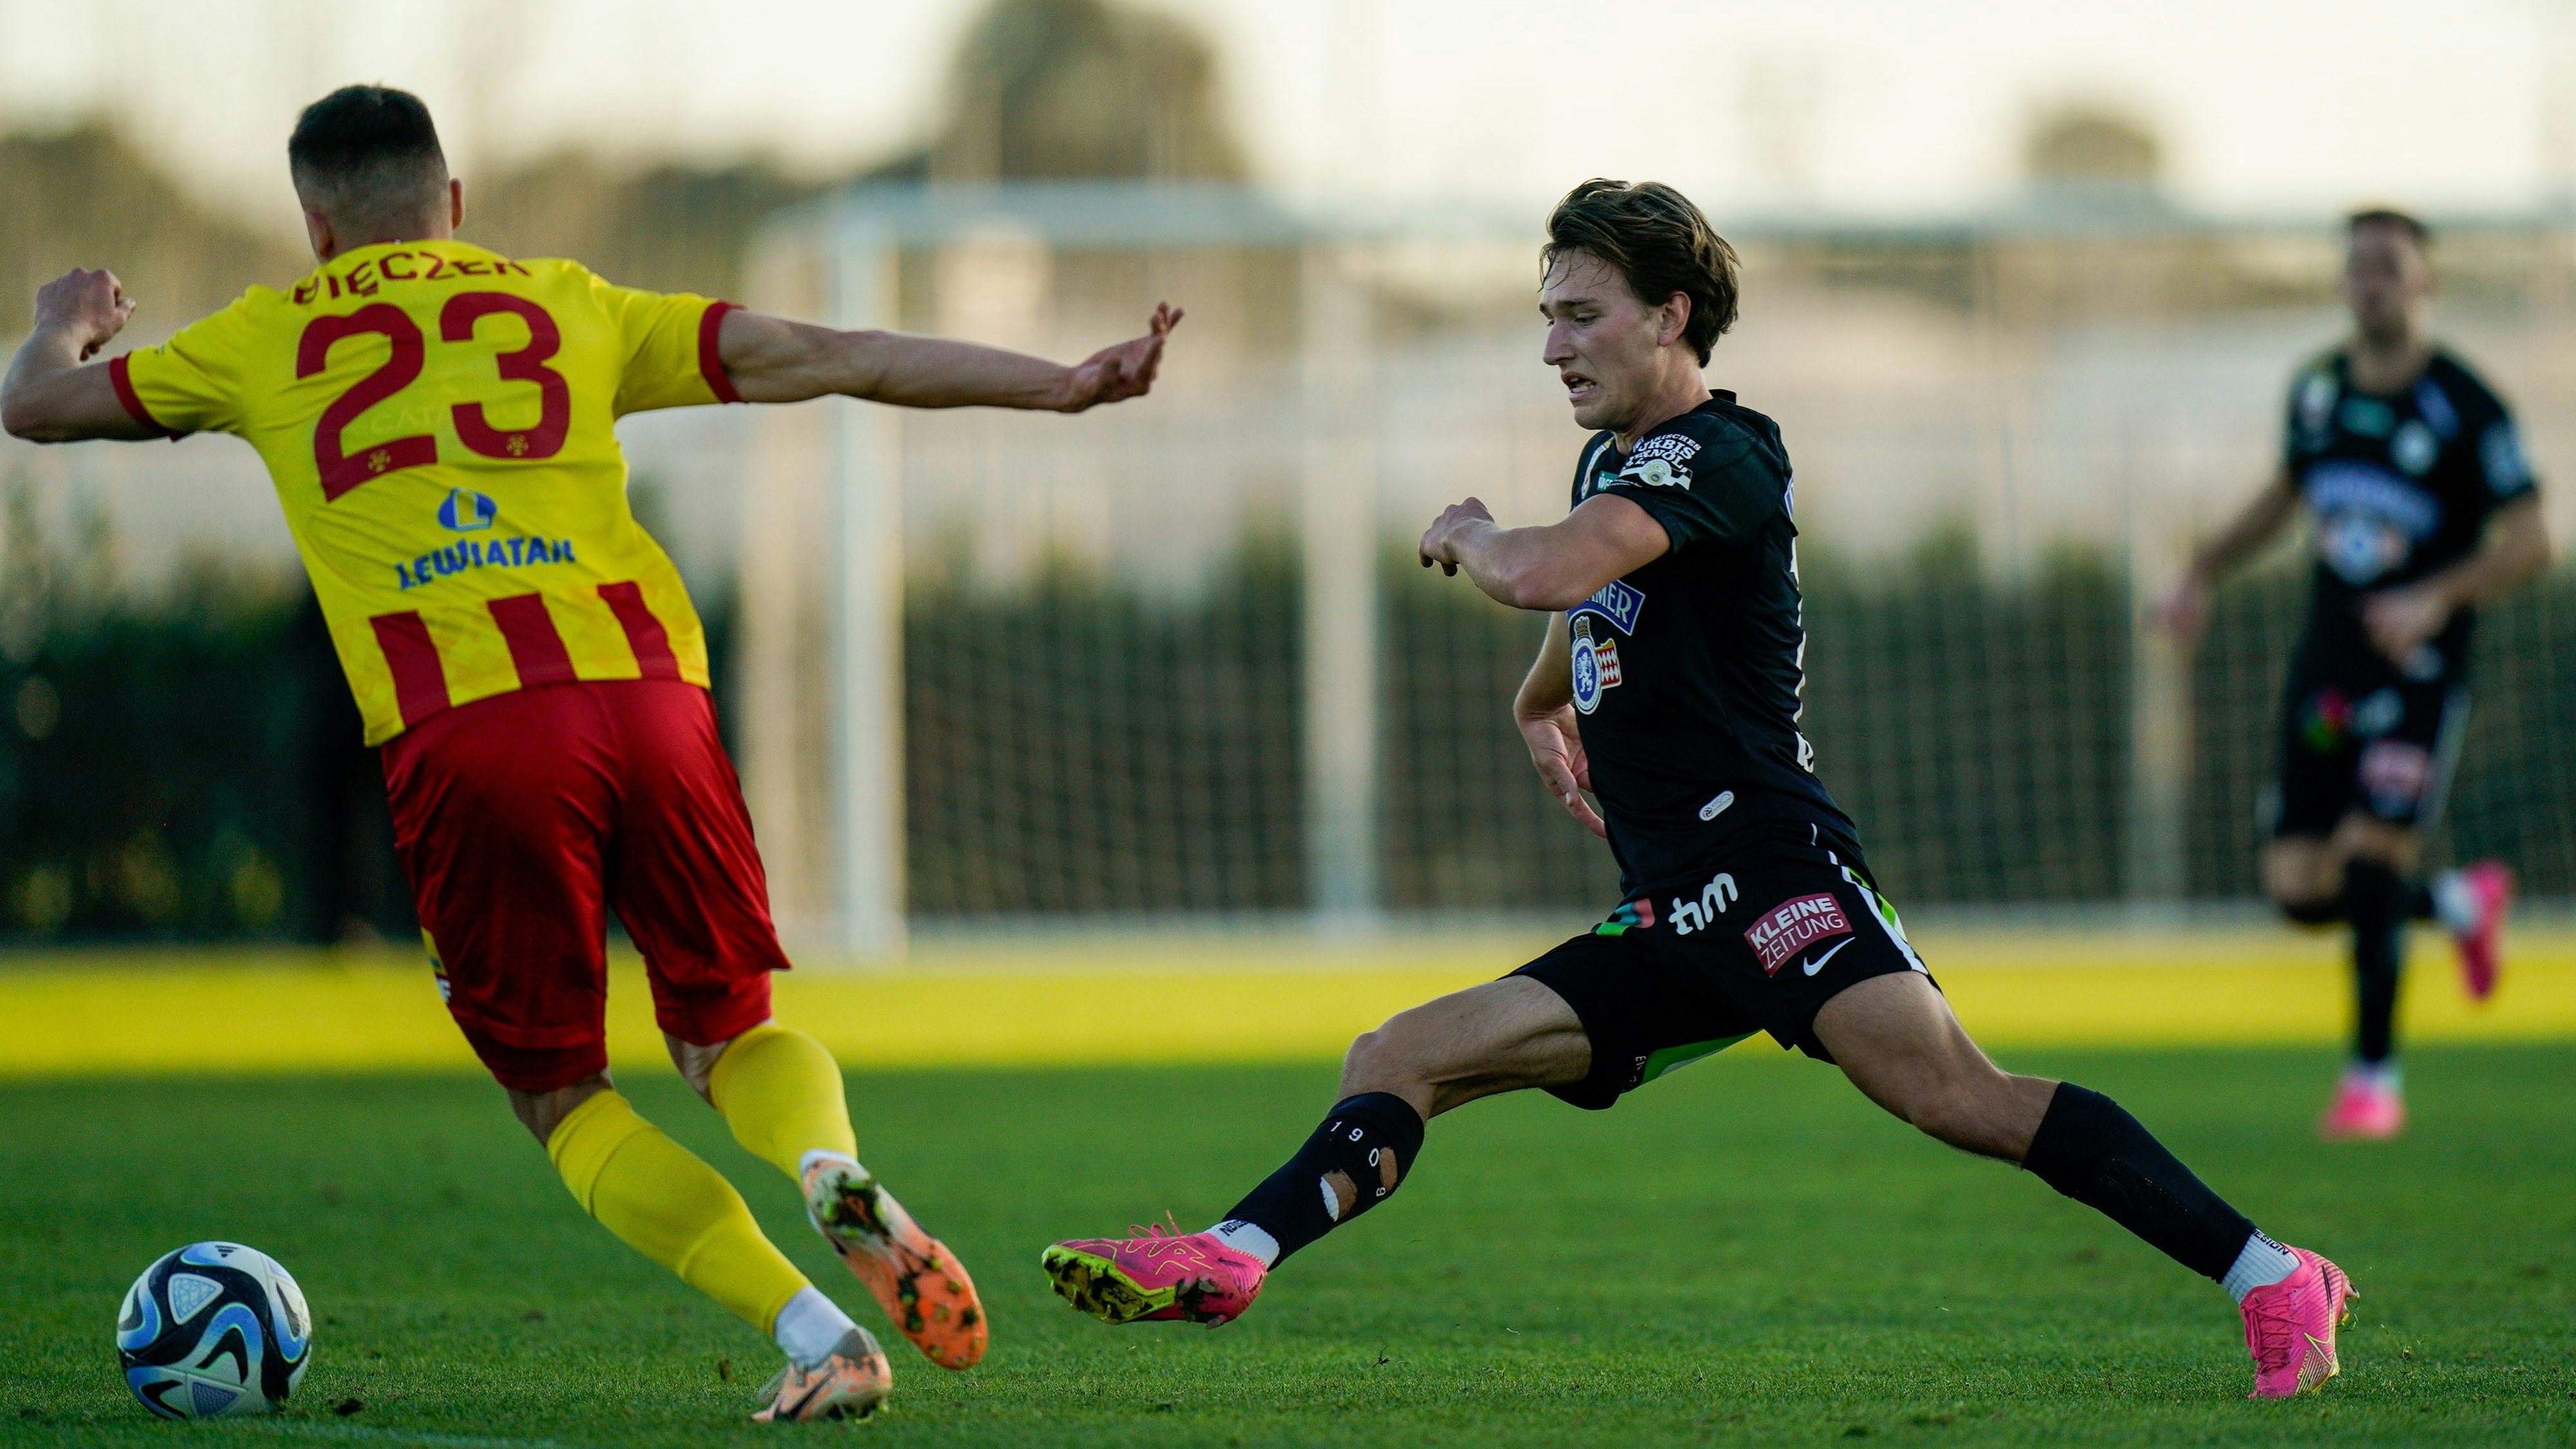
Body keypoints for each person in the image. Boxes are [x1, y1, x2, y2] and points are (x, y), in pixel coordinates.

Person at [1039, 178, 2351, 1401]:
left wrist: (1467, 533)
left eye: (1579, 314)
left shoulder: (1722, 456)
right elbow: (1593, 600)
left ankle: (2278, 1276)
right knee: (1399, 1055)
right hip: (1673, 909)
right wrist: (1536, 703)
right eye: (1544, 317)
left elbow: (1548, 570)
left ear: (1668, 316)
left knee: (1956, 1097)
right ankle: (1230, 1254)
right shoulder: (1612, 465)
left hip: (1772, 868)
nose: (1552, 346)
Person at [3, 84, 1181, 1423]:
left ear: (314, 223)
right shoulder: (568, 301)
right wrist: (1063, 384)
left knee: (561, 1094)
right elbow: (835, 350)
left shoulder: (262, 337)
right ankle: (825, 1164)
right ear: (453, 205)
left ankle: (817, 1332)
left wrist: (62, 323)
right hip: (649, 698)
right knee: (729, 1030)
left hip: (472, 728)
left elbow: (35, 411)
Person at [2159, 209, 2550, 1141]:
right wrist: (2202, 568)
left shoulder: (2466, 404)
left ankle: (2373, 1081)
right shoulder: (2318, 391)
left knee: (2373, 856)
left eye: (2391, 265)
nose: (2372, 280)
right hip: (2328, 667)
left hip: (2417, 670)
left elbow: (2532, 539)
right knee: (2299, 888)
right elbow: (2285, 492)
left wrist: (2437, 597)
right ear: (2343, 285)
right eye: (2359, 266)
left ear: (2426, 284)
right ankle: (2457, 902)